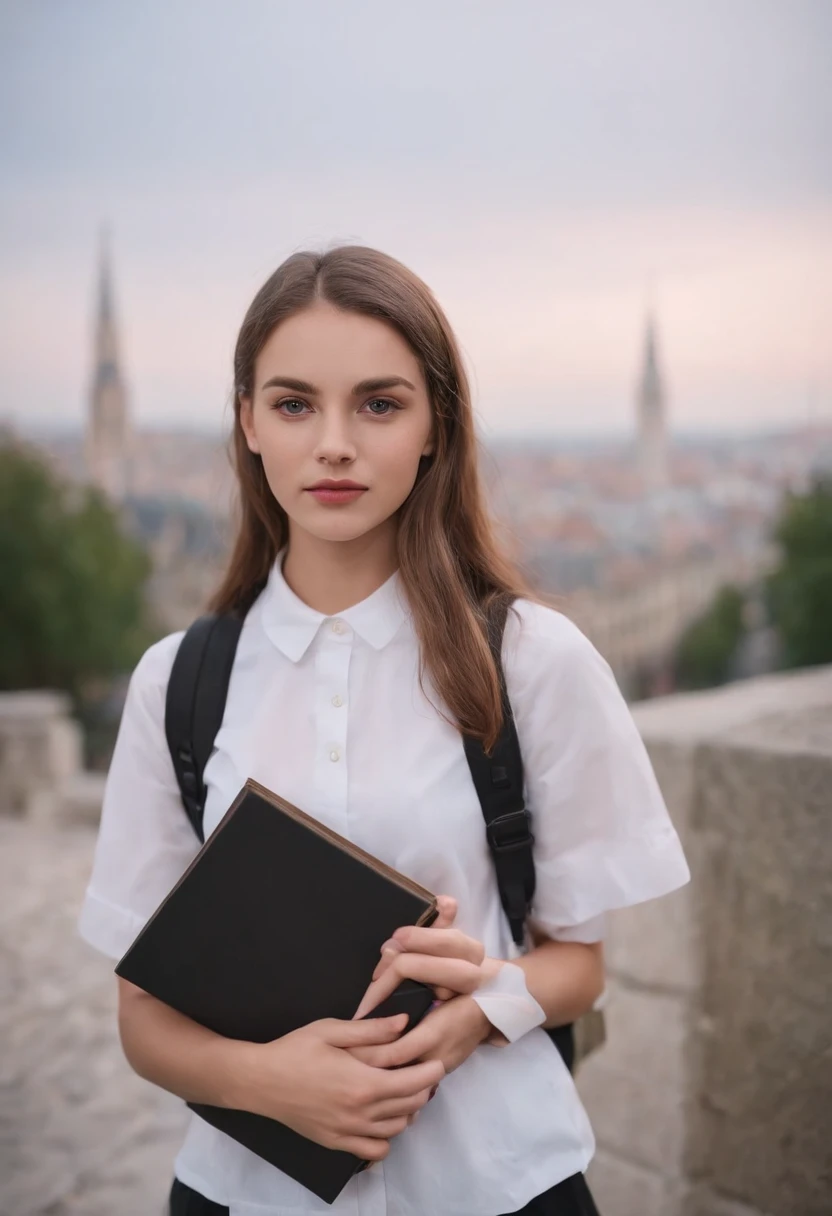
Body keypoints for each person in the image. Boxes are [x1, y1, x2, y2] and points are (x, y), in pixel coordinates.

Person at [78, 245, 690, 1216]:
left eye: (377, 403)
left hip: (494, 1179)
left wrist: (474, 1010)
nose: (332, 444)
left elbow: (577, 965)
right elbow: (142, 1017)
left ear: (434, 427)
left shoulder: (534, 659)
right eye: (291, 404)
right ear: (245, 423)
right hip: (246, 1192)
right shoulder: (179, 683)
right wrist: (270, 1083)